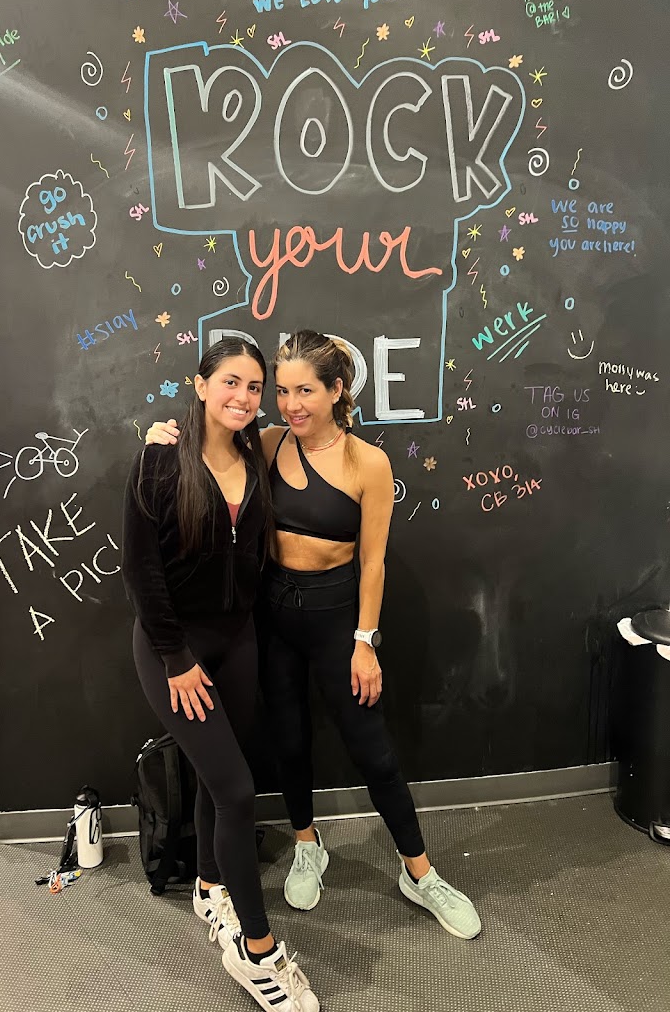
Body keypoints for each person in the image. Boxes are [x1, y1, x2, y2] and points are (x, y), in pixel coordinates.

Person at [146, 330, 481, 941]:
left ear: (335, 390)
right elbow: (207, 444)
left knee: (373, 751)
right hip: (270, 617)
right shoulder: (266, 443)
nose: (290, 404)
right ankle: (307, 844)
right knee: (288, 740)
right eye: (282, 391)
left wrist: (365, 640)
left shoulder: (367, 462)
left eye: (305, 391)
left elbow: (373, 563)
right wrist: (161, 435)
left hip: (336, 620)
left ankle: (420, 872)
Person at [123, 338, 319, 1012]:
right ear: (201, 384)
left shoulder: (255, 455)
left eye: (256, 387)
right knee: (237, 791)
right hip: (174, 650)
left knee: (218, 780)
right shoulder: (160, 458)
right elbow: (140, 570)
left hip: (238, 643)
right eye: (231, 381)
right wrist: (176, 659)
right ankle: (257, 953)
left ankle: (211, 887)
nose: (244, 396)